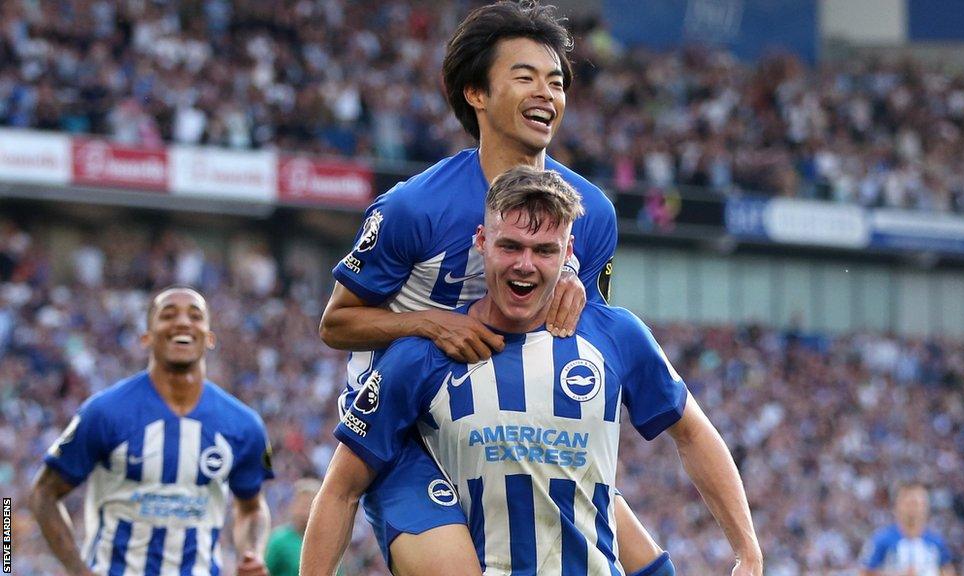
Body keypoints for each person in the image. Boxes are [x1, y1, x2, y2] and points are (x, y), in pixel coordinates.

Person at [318, 2, 670, 575]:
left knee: (652, 570)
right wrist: (432, 323)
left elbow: (589, 338)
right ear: (475, 94)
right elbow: (335, 323)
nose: (546, 94)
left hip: (513, 420)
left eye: (556, 81)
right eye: (525, 77)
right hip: (408, 429)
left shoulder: (592, 214)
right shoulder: (414, 208)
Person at [303, 166, 763, 575]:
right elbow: (341, 490)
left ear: (569, 252)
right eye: (510, 246)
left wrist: (747, 552)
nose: (525, 265)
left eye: (544, 250)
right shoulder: (423, 355)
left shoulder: (615, 335)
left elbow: (694, 433)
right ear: (482, 242)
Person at [29, 286, 274, 576]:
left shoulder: (243, 424)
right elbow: (43, 493)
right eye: (168, 315)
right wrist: (78, 569)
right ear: (146, 337)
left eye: (195, 316)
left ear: (209, 338)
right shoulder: (105, 412)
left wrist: (252, 553)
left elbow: (252, 507)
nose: (183, 322)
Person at [860, 482, 956, 576]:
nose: (914, 509)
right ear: (897, 506)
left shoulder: (936, 541)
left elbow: (947, 570)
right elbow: (865, 572)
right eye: (910, 503)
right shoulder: (881, 539)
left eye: (919, 503)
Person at [265, 478, 341, 576]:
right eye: (301, 503)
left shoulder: (327, 544)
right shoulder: (279, 540)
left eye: (307, 504)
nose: (302, 509)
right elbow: (265, 569)